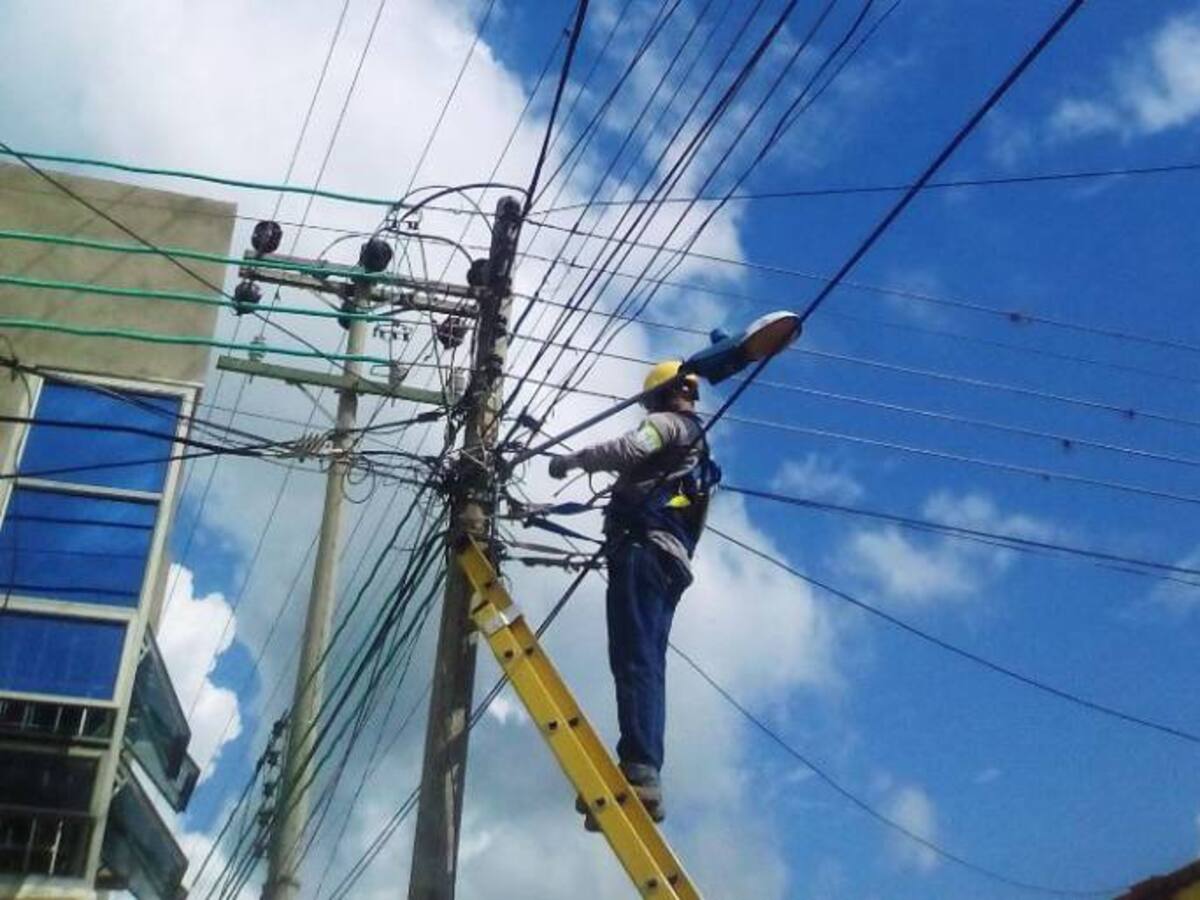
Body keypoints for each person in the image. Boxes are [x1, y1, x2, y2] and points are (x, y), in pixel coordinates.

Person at [548, 360, 720, 826]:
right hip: (670, 562)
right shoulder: (700, 455)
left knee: (632, 658)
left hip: (643, 552)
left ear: (658, 396)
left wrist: (571, 461)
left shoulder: (668, 425)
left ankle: (640, 767)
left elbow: (629, 448)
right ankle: (643, 769)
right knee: (647, 662)